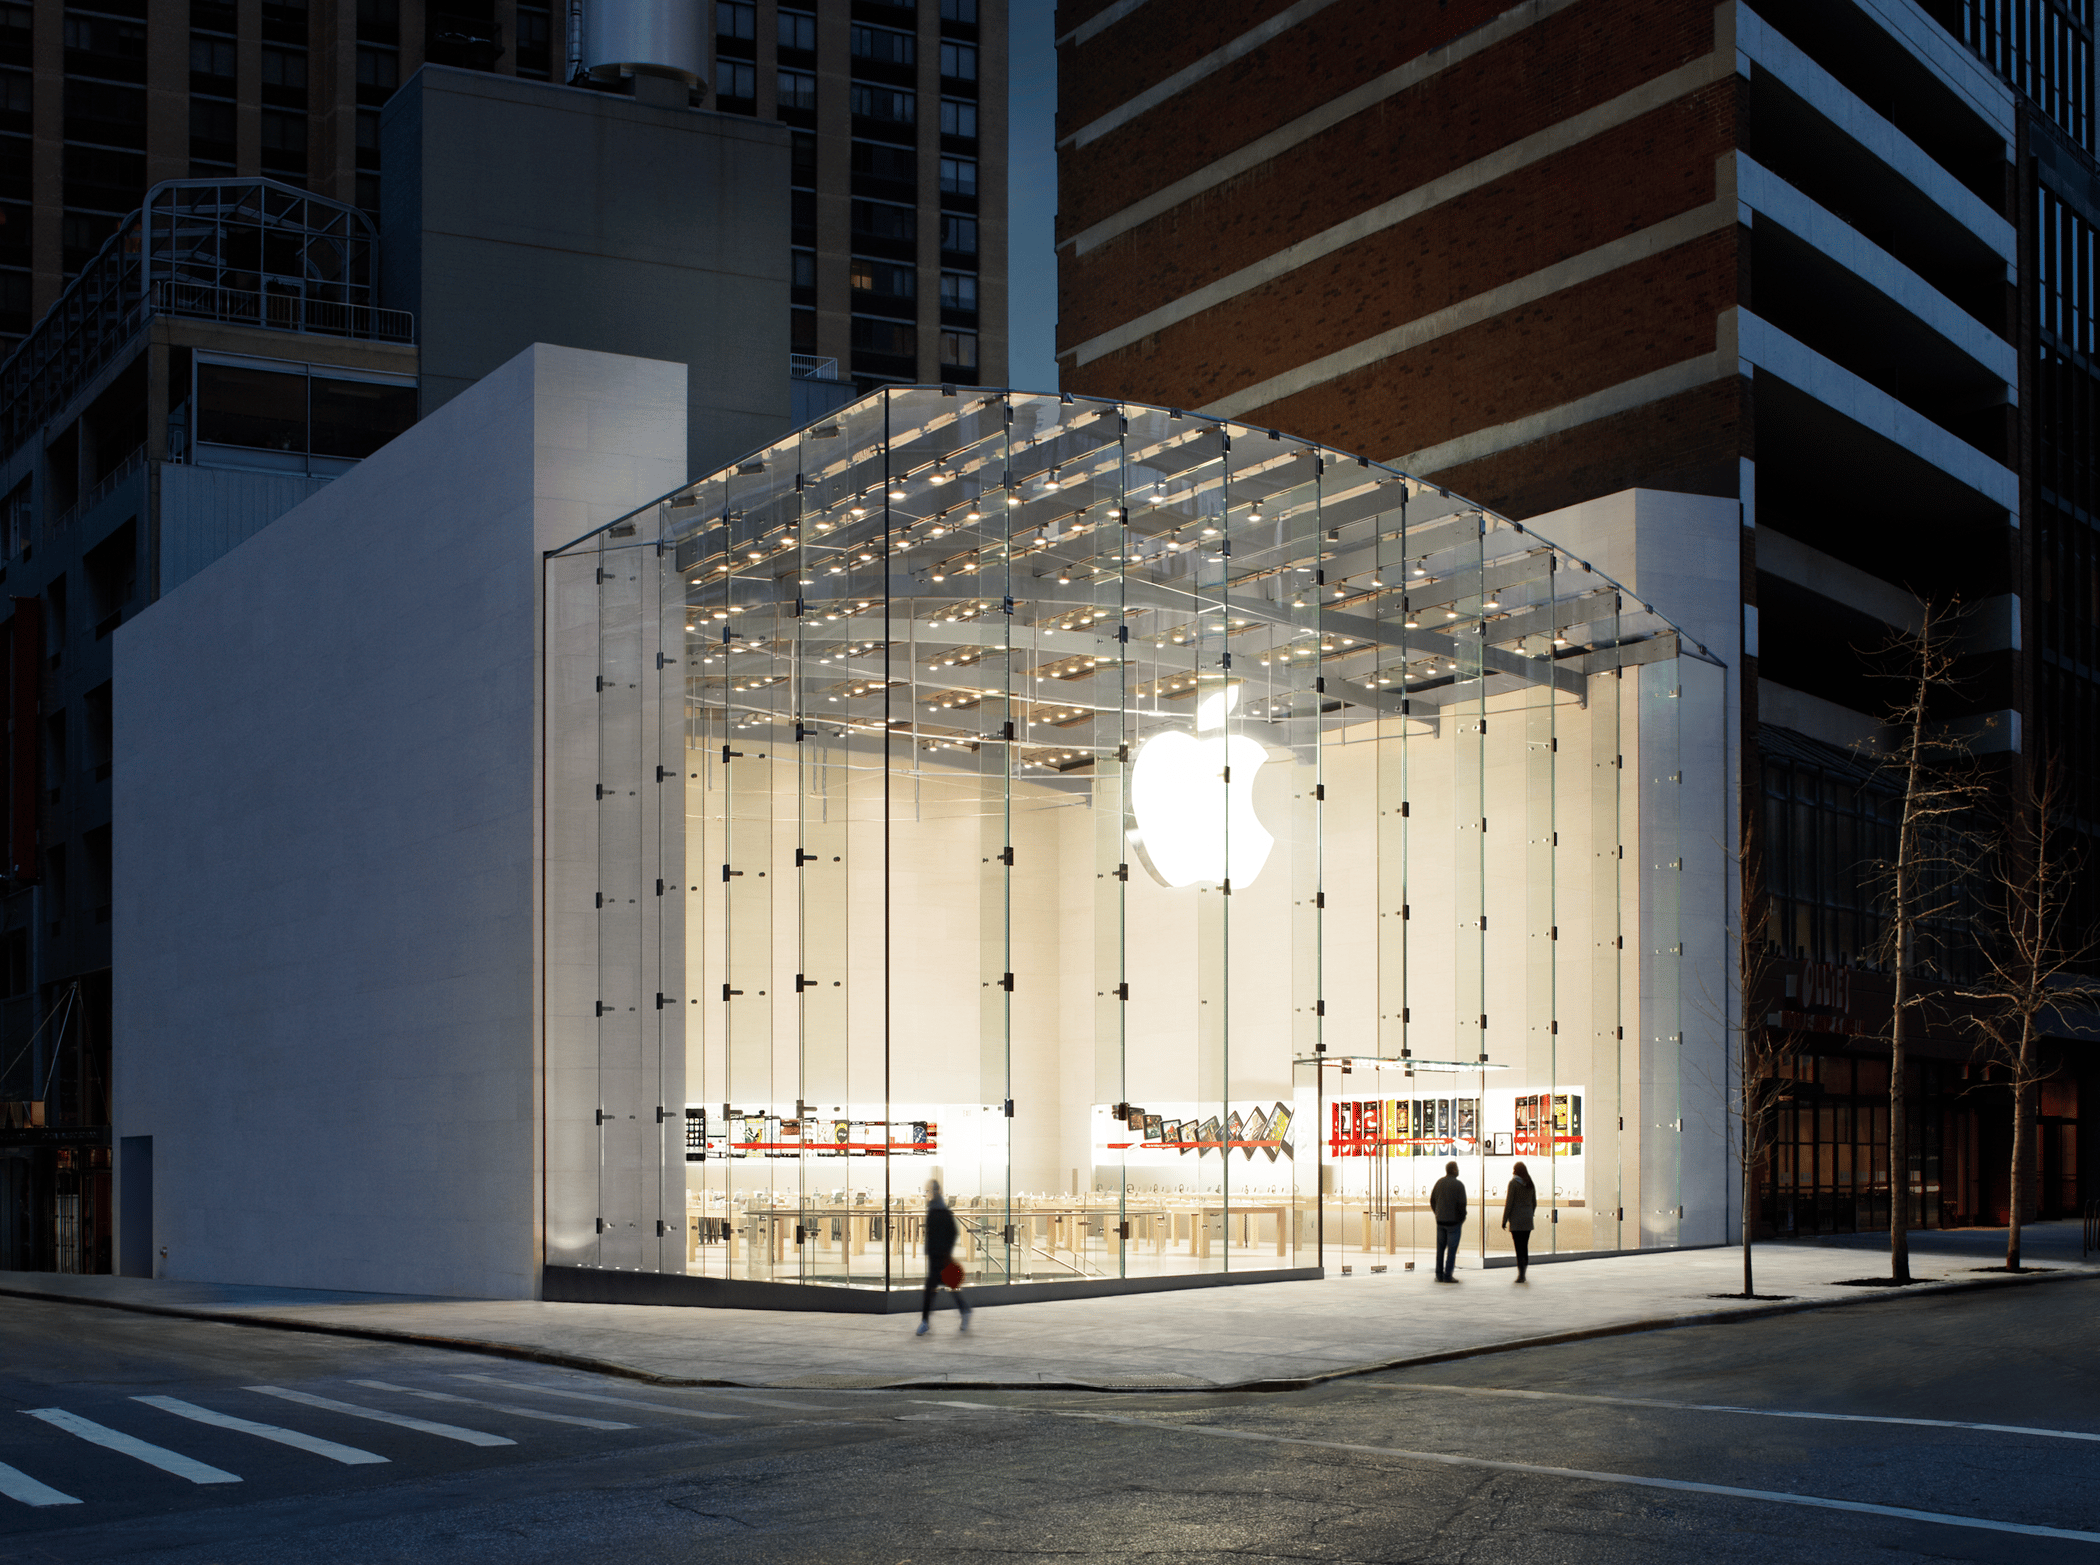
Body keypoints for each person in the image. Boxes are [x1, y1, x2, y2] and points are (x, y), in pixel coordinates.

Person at [917, 1178, 972, 1335]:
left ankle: (926, 1321)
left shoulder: (939, 1211)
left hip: (940, 1256)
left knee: (935, 1288)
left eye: (928, 1191)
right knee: (947, 1286)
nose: (927, 1194)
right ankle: (963, 1311)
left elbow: (951, 1232)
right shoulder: (936, 1209)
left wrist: (945, 1251)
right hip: (937, 1255)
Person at [1429, 1160, 1467, 1282]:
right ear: (1454, 1170)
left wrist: (1437, 1213)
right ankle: (1448, 1275)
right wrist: (1461, 1218)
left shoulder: (1439, 1183)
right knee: (1451, 1251)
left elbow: (1432, 1200)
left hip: (1440, 1221)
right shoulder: (1459, 1185)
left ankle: (1439, 1274)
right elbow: (1462, 1204)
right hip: (1453, 1222)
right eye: (1457, 1168)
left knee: (1440, 1250)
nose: (1458, 1170)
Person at [1502, 1160, 1537, 1283]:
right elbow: (1534, 1202)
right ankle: (1523, 1273)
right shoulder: (1530, 1183)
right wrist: (1530, 1213)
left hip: (1516, 1220)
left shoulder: (1513, 1183)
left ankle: (1521, 1275)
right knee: (1524, 1246)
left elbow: (1509, 1203)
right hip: (1527, 1220)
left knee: (1518, 1248)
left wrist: (1504, 1219)